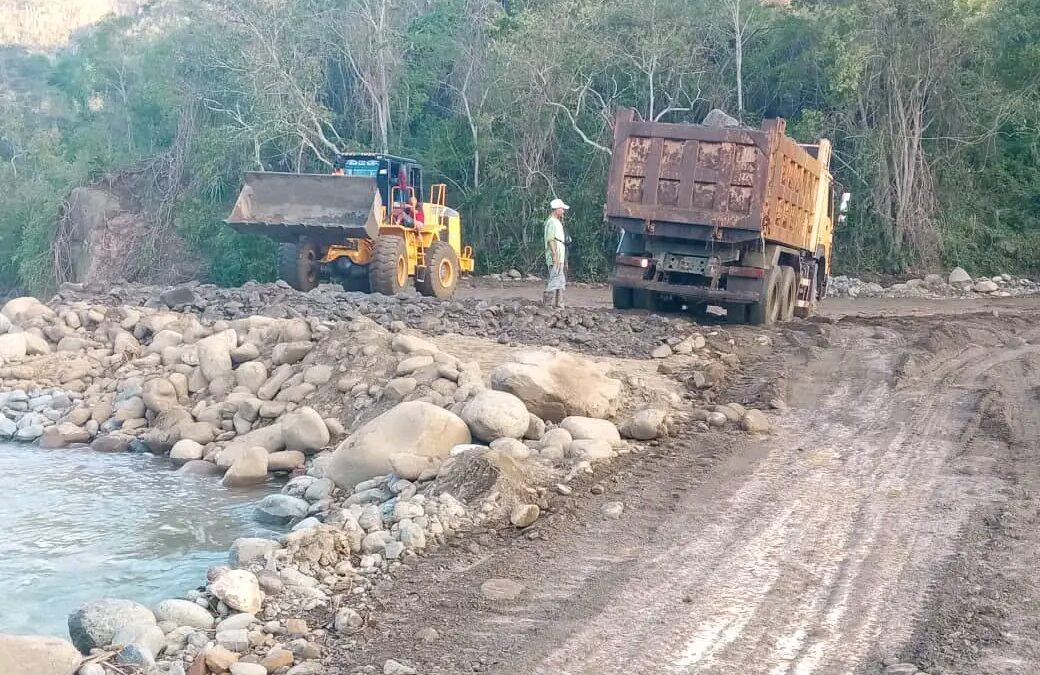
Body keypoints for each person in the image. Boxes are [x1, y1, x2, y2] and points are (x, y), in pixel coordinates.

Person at [544, 197, 569, 308]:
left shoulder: (557, 222)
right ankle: (548, 304)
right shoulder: (552, 222)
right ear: (556, 209)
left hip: (560, 256)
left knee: (560, 281)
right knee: (555, 280)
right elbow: (550, 240)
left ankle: (559, 305)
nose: (563, 211)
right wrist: (555, 256)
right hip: (556, 256)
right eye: (562, 209)